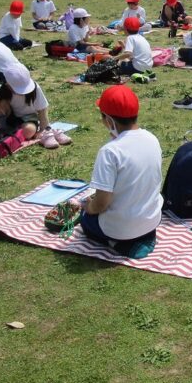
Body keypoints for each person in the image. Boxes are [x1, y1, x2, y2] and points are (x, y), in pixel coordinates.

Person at [78, 84, 163, 256]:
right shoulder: (152, 139)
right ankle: (141, 238)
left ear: (109, 120)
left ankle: (117, 243)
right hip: (152, 220)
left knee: (85, 218)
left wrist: (88, 208)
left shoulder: (110, 151)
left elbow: (101, 203)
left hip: (121, 228)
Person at [0, 63, 63, 148]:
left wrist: (43, 129)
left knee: (29, 130)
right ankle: (5, 130)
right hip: (9, 118)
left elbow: (42, 109)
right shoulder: (1, 89)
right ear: (7, 84)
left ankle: (15, 135)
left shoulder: (35, 88)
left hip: (28, 118)